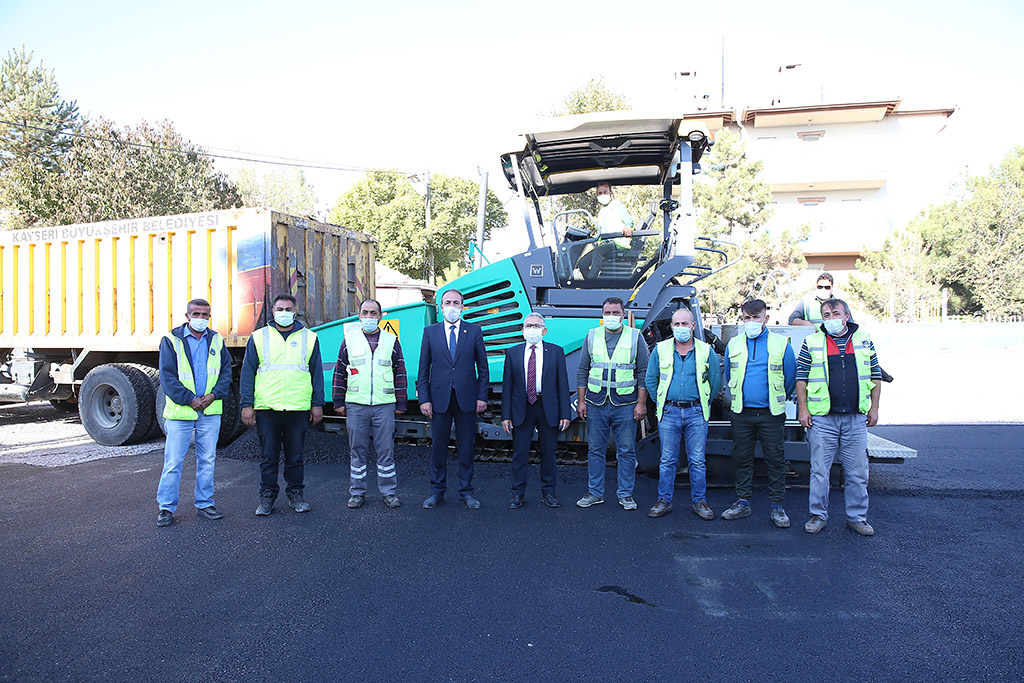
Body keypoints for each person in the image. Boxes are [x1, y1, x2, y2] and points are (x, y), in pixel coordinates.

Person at [795, 298, 882, 536]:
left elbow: (875, 375)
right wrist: (803, 409)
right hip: (823, 418)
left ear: (846, 316)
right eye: (826, 314)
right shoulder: (812, 341)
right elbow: (801, 376)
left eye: (835, 313)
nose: (831, 318)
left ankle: (857, 518)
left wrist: (874, 408)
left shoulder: (864, 339)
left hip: (855, 418)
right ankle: (817, 515)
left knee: (858, 471)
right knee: (820, 471)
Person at [240, 294, 324, 516]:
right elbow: (247, 373)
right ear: (273, 311)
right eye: (280, 309)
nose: (284, 313)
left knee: (295, 457)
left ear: (295, 312)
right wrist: (246, 405)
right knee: (269, 457)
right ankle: (267, 497)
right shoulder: (258, 337)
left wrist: (317, 404)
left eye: (288, 309)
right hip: (268, 408)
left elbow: (316, 374)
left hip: (297, 408)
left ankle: (296, 495)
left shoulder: (310, 338)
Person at [156, 298, 233, 527]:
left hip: (210, 410)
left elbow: (225, 372)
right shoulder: (171, 340)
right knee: (173, 462)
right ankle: (166, 508)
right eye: (196, 314)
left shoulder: (216, 340)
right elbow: (167, 377)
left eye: (205, 315)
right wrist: (190, 399)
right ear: (187, 315)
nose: (200, 318)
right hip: (181, 412)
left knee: (207, 459)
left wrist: (213, 395)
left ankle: (205, 503)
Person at [720, 299, 796, 528]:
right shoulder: (733, 344)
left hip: (771, 414)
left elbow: (790, 378)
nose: (751, 322)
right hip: (741, 413)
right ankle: (743, 503)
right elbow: (729, 376)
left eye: (756, 317)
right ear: (741, 319)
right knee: (742, 459)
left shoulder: (781, 344)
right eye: (747, 318)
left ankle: (777, 506)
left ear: (766, 318)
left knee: (775, 460)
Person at [644, 307, 722, 520]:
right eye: (676, 324)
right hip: (669, 411)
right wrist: (661, 401)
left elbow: (715, 381)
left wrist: (703, 401)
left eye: (685, 324)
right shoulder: (661, 349)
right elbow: (651, 379)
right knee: (667, 459)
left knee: (697, 460)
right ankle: (664, 500)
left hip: (697, 412)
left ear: (693, 326)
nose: (681, 328)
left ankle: (700, 501)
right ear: (671, 326)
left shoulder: (706, 351)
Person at [417, 289, 489, 509]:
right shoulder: (430, 332)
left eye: (456, 302)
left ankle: (466, 492)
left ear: (462, 306)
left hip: (467, 399)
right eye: (447, 302)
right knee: (438, 447)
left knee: (467, 447)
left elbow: (483, 369)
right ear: (440, 307)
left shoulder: (474, 331)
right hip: (439, 399)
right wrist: (424, 399)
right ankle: (436, 492)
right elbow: (423, 369)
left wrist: (482, 397)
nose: (452, 306)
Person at [575, 297, 649, 511]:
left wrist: (641, 404)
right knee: (595, 450)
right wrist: (581, 401)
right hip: (596, 402)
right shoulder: (592, 336)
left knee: (626, 451)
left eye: (615, 313)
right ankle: (595, 493)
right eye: (607, 313)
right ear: (602, 315)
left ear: (623, 315)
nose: (611, 317)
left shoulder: (635, 337)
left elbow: (643, 371)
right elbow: (582, 370)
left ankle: (625, 494)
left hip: (626, 403)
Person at [333, 299, 407, 509]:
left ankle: (389, 492)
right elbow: (339, 372)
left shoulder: (391, 340)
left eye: (373, 313)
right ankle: (357, 493)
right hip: (356, 405)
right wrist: (338, 400)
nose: (369, 317)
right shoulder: (349, 339)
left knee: (386, 451)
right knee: (357, 450)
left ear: (381, 316)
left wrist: (401, 402)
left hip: (384, 405)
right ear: (359, 316)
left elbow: (400, 372)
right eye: (365, 313)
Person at [501, 314, 571, 509]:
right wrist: (505, 415)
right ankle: (517, 494)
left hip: (547, 407)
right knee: (520, 453)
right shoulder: (512, 352)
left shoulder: (556, 352)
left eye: (536, 325)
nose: (532, 329)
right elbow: (507, 386)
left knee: (548, 453)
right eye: (528, 325)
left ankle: (548, 493)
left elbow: (563, 384)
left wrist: (565, 413)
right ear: (523, 330)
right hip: (521, 407)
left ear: (544, 330)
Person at [578, 182, 635, 278]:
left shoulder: (617, 205)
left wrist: (628, 227)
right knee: (582, 263)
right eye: (600, 193)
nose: (603, 195)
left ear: (611, 193)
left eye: (605, 192)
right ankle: (593, 286)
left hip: (616, 242)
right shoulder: (602, 211)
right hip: (605, 243)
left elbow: (629, 221)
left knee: (598, 252)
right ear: (597, 194)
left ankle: (592, 282)